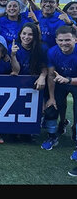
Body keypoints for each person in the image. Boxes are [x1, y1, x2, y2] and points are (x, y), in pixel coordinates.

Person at [42, 25, 77, 153]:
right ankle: (53, 134)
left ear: (75, 39)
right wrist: (51, 97)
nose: (64, 43)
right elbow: (51, 75)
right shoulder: (52, 52)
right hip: (60, 81)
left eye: (68, 40)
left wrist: (68, 80)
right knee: (53, 104)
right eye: (61, 40)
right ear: (56, 40)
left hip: (74, 81)